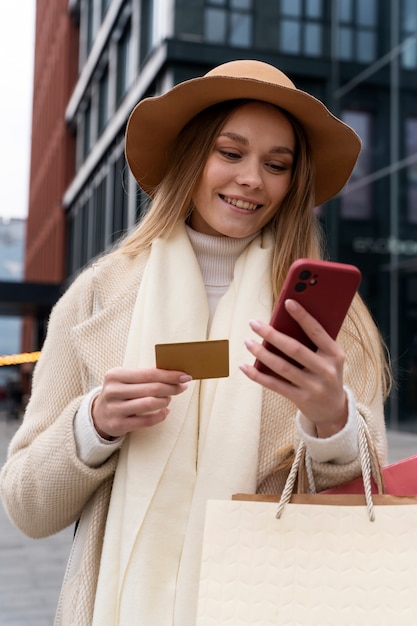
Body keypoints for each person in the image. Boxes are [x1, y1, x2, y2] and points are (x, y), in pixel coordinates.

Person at [0, 60, 390, 625]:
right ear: (190, 158)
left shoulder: (332, 316)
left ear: (292, 183)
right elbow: (26, 508)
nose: (252, 179)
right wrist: (95, 424)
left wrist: (333, 422)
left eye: (276, 165)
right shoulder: (97, 298)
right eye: (230, 153)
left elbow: (370, 500)